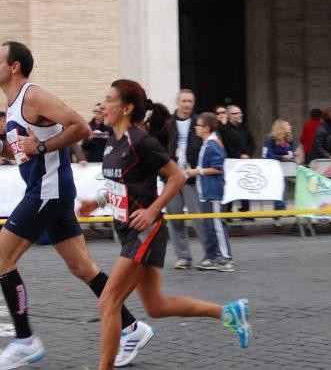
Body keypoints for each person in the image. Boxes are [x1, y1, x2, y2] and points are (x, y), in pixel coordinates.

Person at [0, 41, 154, 369]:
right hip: (50, 193)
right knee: (83, 267)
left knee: (1, 259)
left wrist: (40, 147)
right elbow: (28, 147)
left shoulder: (32, 95)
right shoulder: (13, 104)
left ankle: (25, 340)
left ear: (14, 66)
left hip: (47, 193)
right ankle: (131, 328)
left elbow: (81, 127)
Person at [78, 80, 250, 370]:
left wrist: (152, 210)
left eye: (109, 99)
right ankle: (229, 313)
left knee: (108, 302)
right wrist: (96, 203)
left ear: (127, 107)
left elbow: (177, 177)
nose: (102, 105)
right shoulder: (112, 142)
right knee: (157, 306)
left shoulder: (140, 140)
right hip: (129, 230)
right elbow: (123, 186)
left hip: (145, 230)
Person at [187, 112, 235, 271]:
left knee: (216, 224)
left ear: (206, 128)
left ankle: (226, 258)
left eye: (199, 125)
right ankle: (211, 256)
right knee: (208, 224)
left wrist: (197, 172)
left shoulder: (213, 144)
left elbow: (218, 168)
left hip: (213, 191)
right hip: (206, 191)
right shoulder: (208, 143)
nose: (196, 128)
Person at [165, 89, 205, 269]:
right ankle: (183, 257)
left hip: (192, 177)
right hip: (171, 177)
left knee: (199, 217)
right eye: (184, 101)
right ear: (177, 102)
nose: (188, 104)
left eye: (190, 101)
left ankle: (210, 254)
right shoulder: (167, 124)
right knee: (174, 218)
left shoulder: (200, 123)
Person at [219, 104, 256, 216]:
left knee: (245, 185)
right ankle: (228, 212)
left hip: (245, 162)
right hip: (232, 162)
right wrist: (239, 155)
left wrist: (248, 154)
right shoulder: (225, 129)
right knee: (231, 187)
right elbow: (227, 145)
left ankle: (245, 210)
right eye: (236, 113)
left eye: (240, 113)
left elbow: (252, 142)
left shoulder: (244, 127)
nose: (239, 115)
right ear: (229, 115)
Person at [262, 118, 296, 226]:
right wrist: (281, 157)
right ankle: (278, 212)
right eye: (287, 125)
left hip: (286, 168)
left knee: (284, 189)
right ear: (281, 127)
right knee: (278, 189)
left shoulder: (289, 139)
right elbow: (268, 155)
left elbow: (291, 151)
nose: (290, 127)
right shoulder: (270, 139)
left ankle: (282, 209)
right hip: (273, 167)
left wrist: (291, 155)